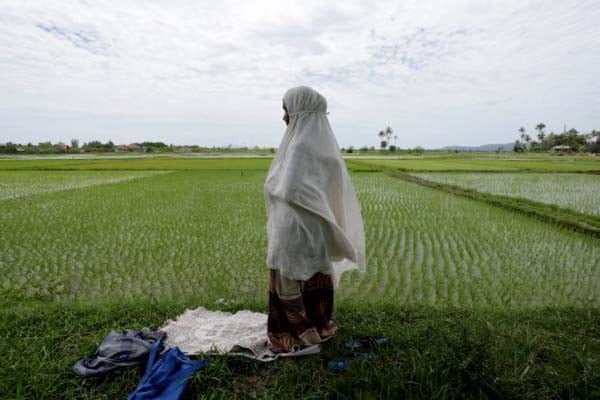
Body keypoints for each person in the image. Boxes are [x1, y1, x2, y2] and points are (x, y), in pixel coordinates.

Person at [264, 86, 366, 353]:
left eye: (286, 109)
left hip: (294, 227)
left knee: (290, 275)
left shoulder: (298, 146)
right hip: (316, 225)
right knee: (315, 272)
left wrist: (270, 185)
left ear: (298, 110)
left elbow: (290, 189)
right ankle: (319, 324)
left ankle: (291, 332)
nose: (284, 116)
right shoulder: (324, 147)